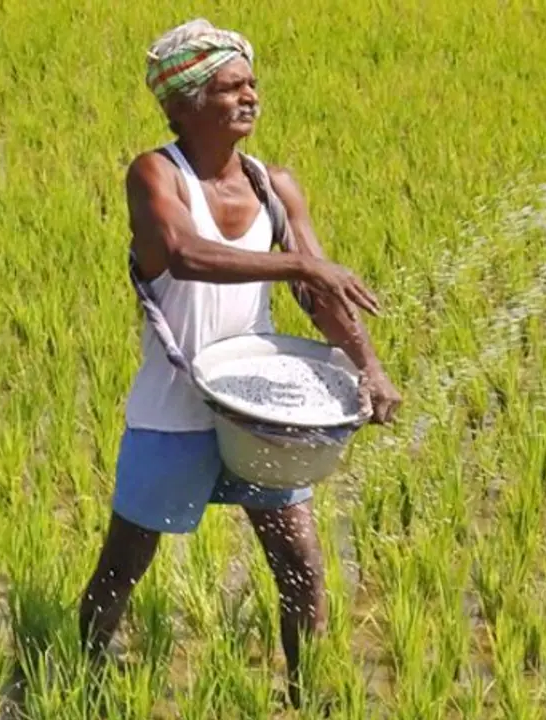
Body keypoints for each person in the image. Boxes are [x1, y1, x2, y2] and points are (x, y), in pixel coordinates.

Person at [76, 18, 402, 707]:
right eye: (230, 88)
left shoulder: (274, 185)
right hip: (173, 408)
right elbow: (185, 254)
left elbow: (317, 294)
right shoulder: (154, 173)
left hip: (258, 406)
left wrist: (369, 367)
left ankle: (306, 699)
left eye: (252, 83)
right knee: (122, 569)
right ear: (184, 104)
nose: (249, 96)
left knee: (300, 569)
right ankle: (78, 684)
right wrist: (301, 260)